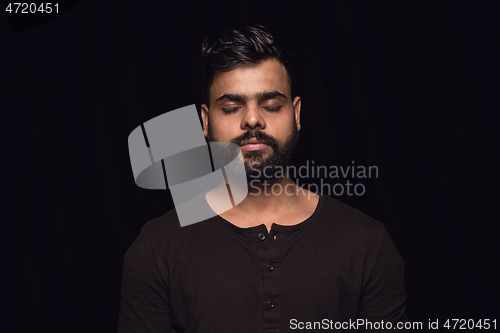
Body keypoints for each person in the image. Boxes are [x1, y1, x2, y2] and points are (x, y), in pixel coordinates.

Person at [117, 25, 408, 333]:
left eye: (271, 105)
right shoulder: (156, 247)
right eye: (231, 108)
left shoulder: (367, 243)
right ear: (205, 121)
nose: (252, 119)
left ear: (296, 114)